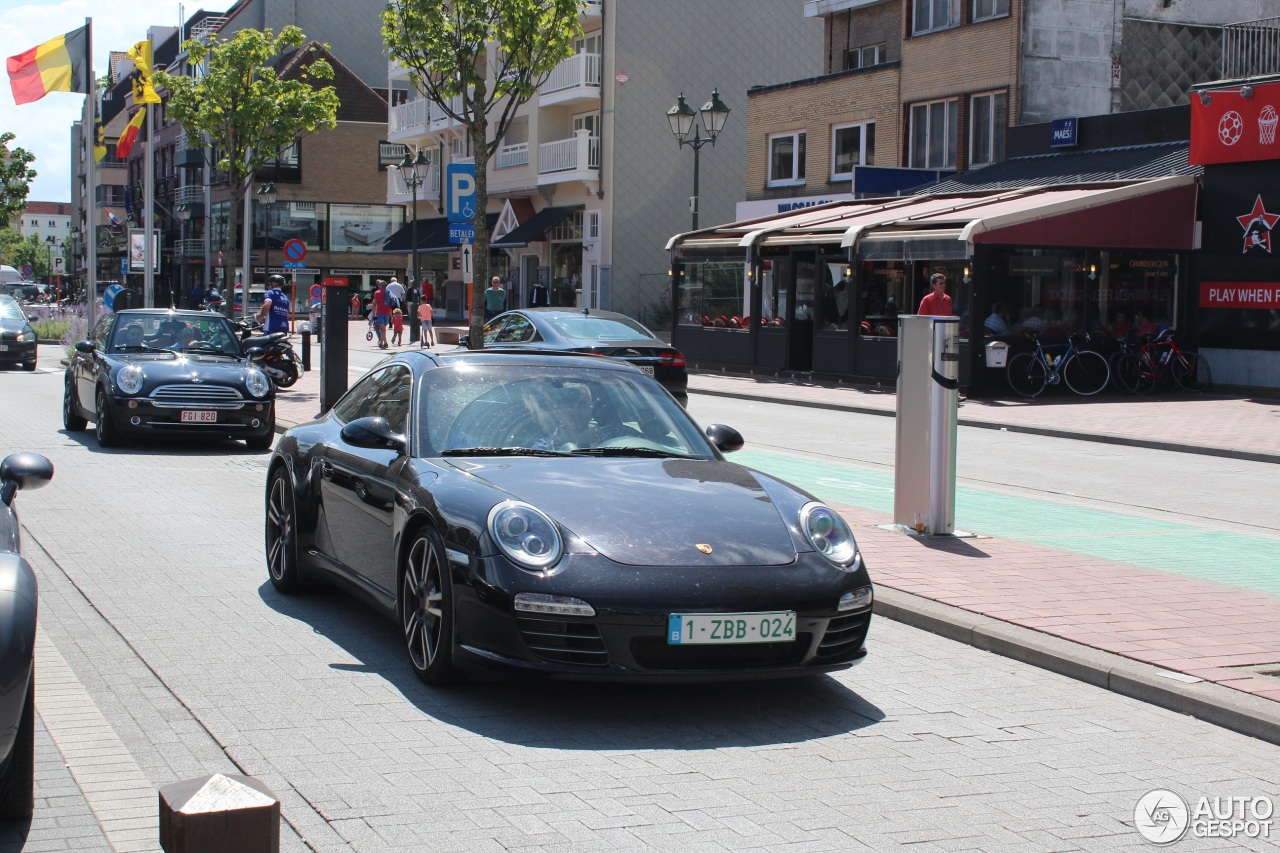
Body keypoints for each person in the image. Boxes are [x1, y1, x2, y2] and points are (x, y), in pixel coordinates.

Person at [371, 279, 391, 349]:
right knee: (384, 328)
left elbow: (374, 304)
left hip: (380, 312)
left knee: (382, 329)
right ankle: (384, 343)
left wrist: (373, 315)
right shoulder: (389, 292)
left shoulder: (377, 293)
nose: (378, 286)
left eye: (379, 285)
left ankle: (382, 343)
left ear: (381, 286)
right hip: (387, 312)